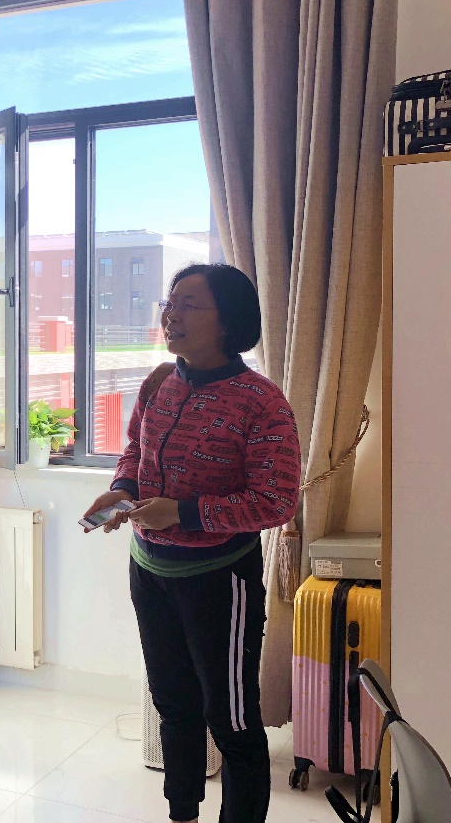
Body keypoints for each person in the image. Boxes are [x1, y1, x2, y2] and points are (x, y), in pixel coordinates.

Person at [83, 263, 301, 823]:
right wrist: (122, 491)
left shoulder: (262, 402)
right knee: (173, 704)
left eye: (189, 305)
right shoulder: (159, 383)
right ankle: (182, 813)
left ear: (227, 321)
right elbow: (135, 452)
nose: (171, 315)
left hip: (219, 581)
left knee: (232, 720)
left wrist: (182, 513)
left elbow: (276, 502)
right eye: (169, 303)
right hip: (149, 570)